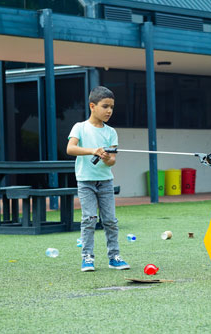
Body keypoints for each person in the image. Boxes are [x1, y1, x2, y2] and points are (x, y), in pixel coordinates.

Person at [67, 86, 130, 272]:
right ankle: (87, 258)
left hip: (105, 182)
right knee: (89, 219)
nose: (109, 110)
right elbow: (70, 149)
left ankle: (114, 257)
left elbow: (112, 162)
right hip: (86, 182)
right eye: (105, 106)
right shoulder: (80, 127)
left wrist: (106, 157)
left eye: (111, 107)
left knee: (110, 220)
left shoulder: (111, 132)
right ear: (92, 106)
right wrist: (93, 150)